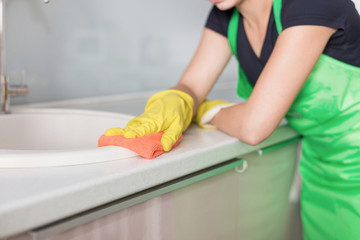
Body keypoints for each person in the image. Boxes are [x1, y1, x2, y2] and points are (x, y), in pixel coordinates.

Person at [105, 0, 360, 238]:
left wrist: (207, 111)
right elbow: (191, 85)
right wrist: (176, 101)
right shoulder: (226, 17)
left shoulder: (312, 3)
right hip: (320, 167)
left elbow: (254, 126)